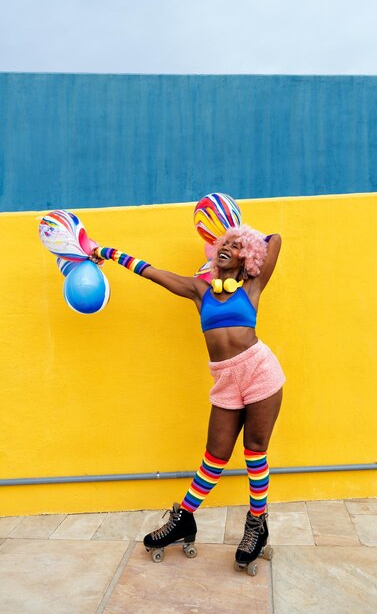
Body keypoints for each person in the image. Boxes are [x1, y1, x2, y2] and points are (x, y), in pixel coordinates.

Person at [91, 222, 285, 570]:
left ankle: (257, 524)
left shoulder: (253, 287)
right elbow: (152, 272)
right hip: (225, 380)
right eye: (222, 245)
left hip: (259, 371)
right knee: (215, 454)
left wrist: (243, 237)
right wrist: (107, 252)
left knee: (255, 450)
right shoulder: (200, 291)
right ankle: (184, 519)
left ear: (246, 258)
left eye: (234, 247)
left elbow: (276, 241)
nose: (225, 248)